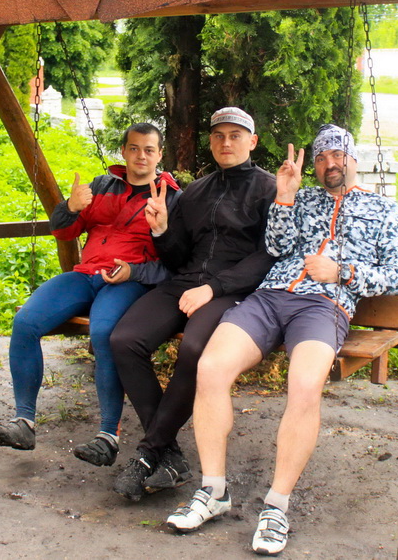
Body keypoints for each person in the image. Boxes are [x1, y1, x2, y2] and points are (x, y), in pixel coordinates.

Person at [165, 124, 398, 556]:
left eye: (337, 156)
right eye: (321, 157)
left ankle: (276, 506)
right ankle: (213, 490)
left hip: (324, 306)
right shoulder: (304, 198)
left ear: (353, 159)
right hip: (270, 297)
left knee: (304, 386)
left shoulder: (383, 210)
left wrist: (342, 272)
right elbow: (277, 248)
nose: (329, 164)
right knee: (211, 367)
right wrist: (283, 196)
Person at [109, 107, 277, 501]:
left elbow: (268, 255)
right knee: (124, 340)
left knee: (195, 350)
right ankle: (168, 453)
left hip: (234, 291)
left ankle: (149, 452)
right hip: (186, 283)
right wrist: (162, 231)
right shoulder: (196, 191)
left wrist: (214, 288)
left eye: (235, 135)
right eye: (218, 135)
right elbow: (177, 257)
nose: (226, 142)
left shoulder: (268, 189)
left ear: (252, 142)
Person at [0, 122, 180, 467]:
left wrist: (135, 272)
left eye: (149, 150)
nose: (141, 156)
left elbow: (176, 262)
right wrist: (71, 207)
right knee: (26, 322)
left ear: (159, 155)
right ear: (123, 151)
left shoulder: (171, 197)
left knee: (104, 333)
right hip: (85, 274)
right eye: (134, 148)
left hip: (127, 280)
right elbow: (62, 231)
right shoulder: (102, 186)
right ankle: (23, 422)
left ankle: (107, 436)